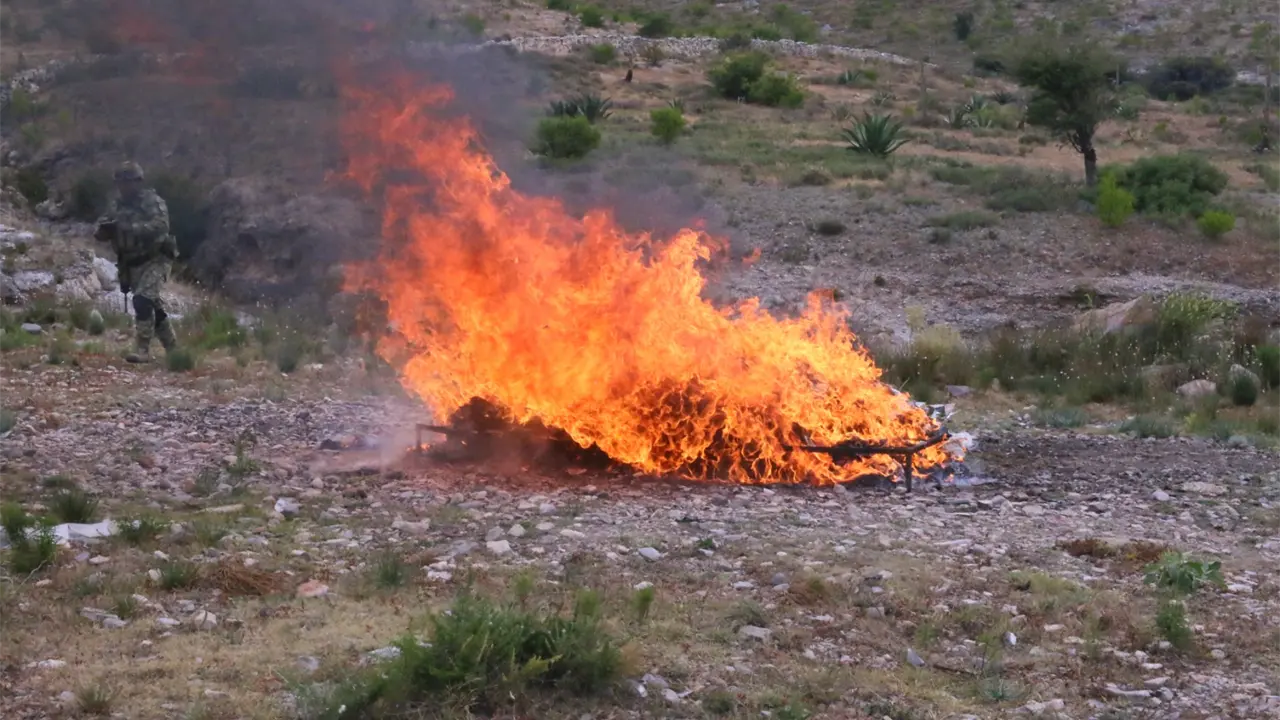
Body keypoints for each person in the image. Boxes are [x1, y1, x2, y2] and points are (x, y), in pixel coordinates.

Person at [94, 161, 180, 363]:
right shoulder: (116, 205)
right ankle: (173, 349)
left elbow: (161, 226)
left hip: (156, 259)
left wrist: (131, 228)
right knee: (152, 306)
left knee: (142, 300)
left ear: (137, 182)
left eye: (127, 182)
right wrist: (105, 231)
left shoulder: (152, 202)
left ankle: (142, 349)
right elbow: (101, 227)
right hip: (130, 263)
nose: (123, 187)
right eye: (120, 183)